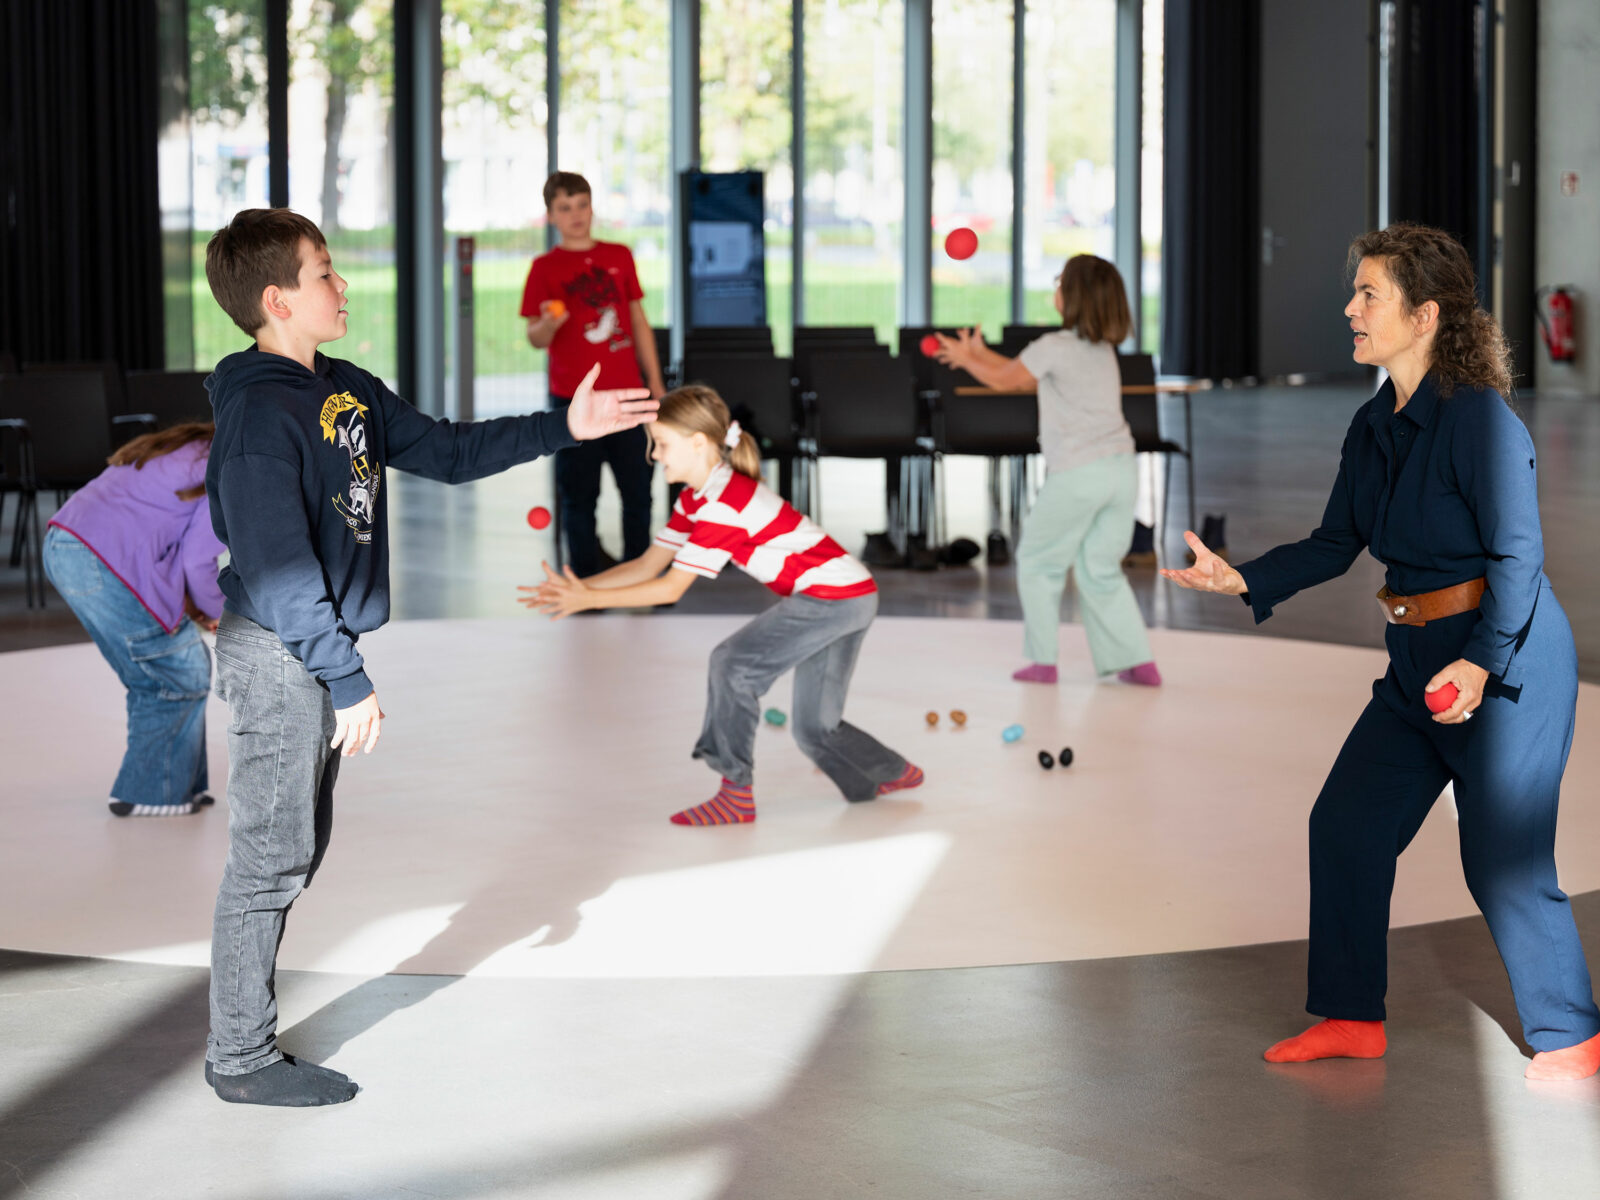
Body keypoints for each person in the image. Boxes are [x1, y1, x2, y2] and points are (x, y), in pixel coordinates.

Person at [200, 207, 656, 1106]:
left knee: (293, 848)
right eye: (324, 271)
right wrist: (347, 677)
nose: (342, 286)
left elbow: (447, 452)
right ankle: (239, 1057)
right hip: (284, 655)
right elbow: (279, 566)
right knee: (271, 858)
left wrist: (567, 422)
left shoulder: (341, 385)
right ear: (276, 298)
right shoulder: (258, 412)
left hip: (313, 653)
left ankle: (242, 1040)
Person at [1162, 222, 1600, 1080]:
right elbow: (1337, 541)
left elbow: (1519, 557)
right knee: (1348, 825)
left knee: (1502, 857)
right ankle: (1353, 1017)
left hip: (1505, 664)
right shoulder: (1373, 424)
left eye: (1370, 295)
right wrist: (1241, 579)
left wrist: (1481, 664)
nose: (1351, 309)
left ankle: (1573, 1034)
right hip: (1416, 664)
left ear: (1426, 315)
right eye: (1355, 291)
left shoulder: (1480, 422)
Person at [522, 384, 923, 826]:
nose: (654, 456)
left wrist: (588, 599)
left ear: (698, 443)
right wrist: (580, 588)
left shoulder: (723, 503)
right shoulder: (699, 496)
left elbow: (671, 588)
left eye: (662, 444)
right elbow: (650, 564)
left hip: (832, 599)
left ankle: (734, 792)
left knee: (734, 665)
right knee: (813, 730)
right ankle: (888, 772)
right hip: (853, 594)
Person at [934, 254, 1161, 687]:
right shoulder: (1099, 351)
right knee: (1100, 566)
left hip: (1079, 472)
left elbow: (1006, 381)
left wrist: (966, 358)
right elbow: (1017, 373)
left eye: (1059, 281)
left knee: (1038, 561)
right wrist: (979, 353)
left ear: (1071, 296)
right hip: (1121, 470)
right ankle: (1138, 662)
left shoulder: (1054, 346)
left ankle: (1043, 661)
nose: (1054, 287)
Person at [42, 423, 226, 817]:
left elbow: (171, 542)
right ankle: (150, 791)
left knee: (166, 670)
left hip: (69, 545)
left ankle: (179, 784)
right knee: (175, 672)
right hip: (102, 561)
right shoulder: (232, 466)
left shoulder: (194, 444)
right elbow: (196, 560)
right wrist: (221, 614)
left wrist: (200, 610)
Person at [520, 171, 667, 577]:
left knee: (638, 492)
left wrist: (654, 382)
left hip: (630, 396)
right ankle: (584, 583)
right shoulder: (544, 268)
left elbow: (638, 321)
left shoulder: (619, 256)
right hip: (573, 399)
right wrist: (551, 323)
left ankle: (638, 576)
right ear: (551, 215)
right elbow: (534, 336)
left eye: (582, 204)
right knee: (579, 496)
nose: (576, 215)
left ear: (592, 207)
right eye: (565, 208)